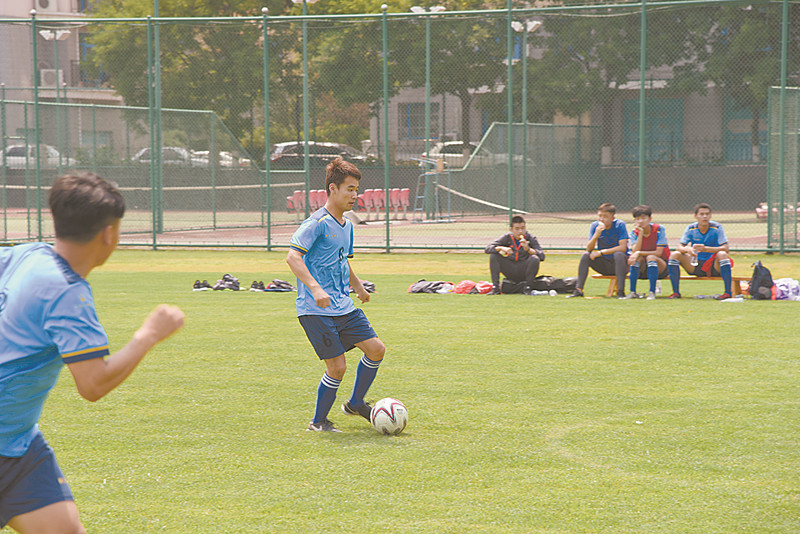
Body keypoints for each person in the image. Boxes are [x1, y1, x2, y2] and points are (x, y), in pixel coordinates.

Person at [0, 172, 185, 534]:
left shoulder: (21, 254)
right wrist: (148, 335)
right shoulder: (67, 292)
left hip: (19, 445)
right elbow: (93, 384)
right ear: (109, 234)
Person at [286, 158, 386, 433]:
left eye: (357, 190)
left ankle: (355, 403)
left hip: (343, 305)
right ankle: (318, 423)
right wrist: (315, 288)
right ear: (333, 189)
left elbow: (343, 260)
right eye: (349, 189)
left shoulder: (346, 225)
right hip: (315, 309)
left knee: (376, 349)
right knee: (337, 367)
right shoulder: (315, 223)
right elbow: (293, 257)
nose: (355, 195)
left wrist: (359, 286)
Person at [667, 202, 733, 300]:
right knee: (675, 254)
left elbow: (726, 248)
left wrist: (706, 249)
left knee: (722, 254)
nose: (705, 217)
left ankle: (727, 293)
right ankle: (676, 292)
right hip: (695, 265)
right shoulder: (691, 228)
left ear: (710, 215)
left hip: (713, 265)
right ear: (695, 216)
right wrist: (688, 249)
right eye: (701, 214)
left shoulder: (717, 227)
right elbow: (679, 247)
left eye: (707, 214)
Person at [568, 203, 629, 298]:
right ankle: (578, 290)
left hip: (620, 264)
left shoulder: (620, 225)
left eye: (605, 216)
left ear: (612, 218)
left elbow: (622, 247)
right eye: (600, 216)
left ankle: (621, 292)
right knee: (585, 255)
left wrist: (601, 252)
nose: (602, 219)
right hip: (604, 265)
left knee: (619, 254)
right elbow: (589, 248)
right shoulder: (595, 226)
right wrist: (596, 234)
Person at [484, 215, 545, 295]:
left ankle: (528, 288)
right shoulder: (506, 237)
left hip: (524, 269)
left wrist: (528, 249)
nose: (520, 231)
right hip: (511, 268)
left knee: (534, 258)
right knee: (494, 255)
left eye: (522, 228)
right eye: (517, 229)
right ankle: (495, 288)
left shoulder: (530, 238)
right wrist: (501, 248)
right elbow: (488, 249)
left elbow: (542, 256)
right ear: (511, 229)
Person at [624, 205, 670, 300]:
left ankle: (652, 292)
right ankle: (632, 292)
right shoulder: (634, 233)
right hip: (642, 268)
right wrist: (640, 233)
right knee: (637, 258)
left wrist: (639, 253)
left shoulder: (659, 229)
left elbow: (658, 252)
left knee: (651, 257)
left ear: (650, 219)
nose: (640, 221)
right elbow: (635, 251)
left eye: (643, 218)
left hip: (661, 266)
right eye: (637, 219)